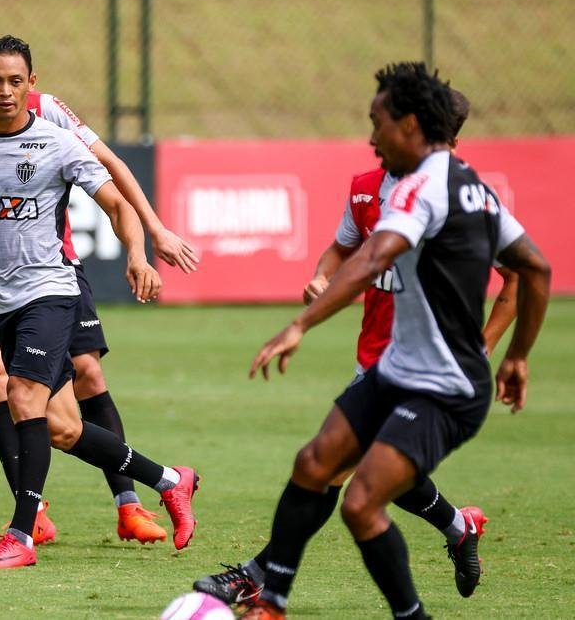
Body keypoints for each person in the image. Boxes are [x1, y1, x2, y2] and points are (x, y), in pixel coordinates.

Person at [236, 62, 551, 619]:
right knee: (314, 463)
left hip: (446, 387)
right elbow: (537, 268)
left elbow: (375, 257)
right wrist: (518, 356)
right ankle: (273, 601)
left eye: (376, 122)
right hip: (399, 368)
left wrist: (300, 324)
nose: (370, 136)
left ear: (408, 124)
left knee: (361, 503)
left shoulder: (421, 188)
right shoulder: (471, 185)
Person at [0, 7, 198, 546]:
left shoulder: (51, 123)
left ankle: (26, 532)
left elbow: (113, 186)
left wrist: (146, 242)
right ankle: (170, 480)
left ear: (30, 81)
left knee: (34, 389)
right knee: (59, 425)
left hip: (52, 282)